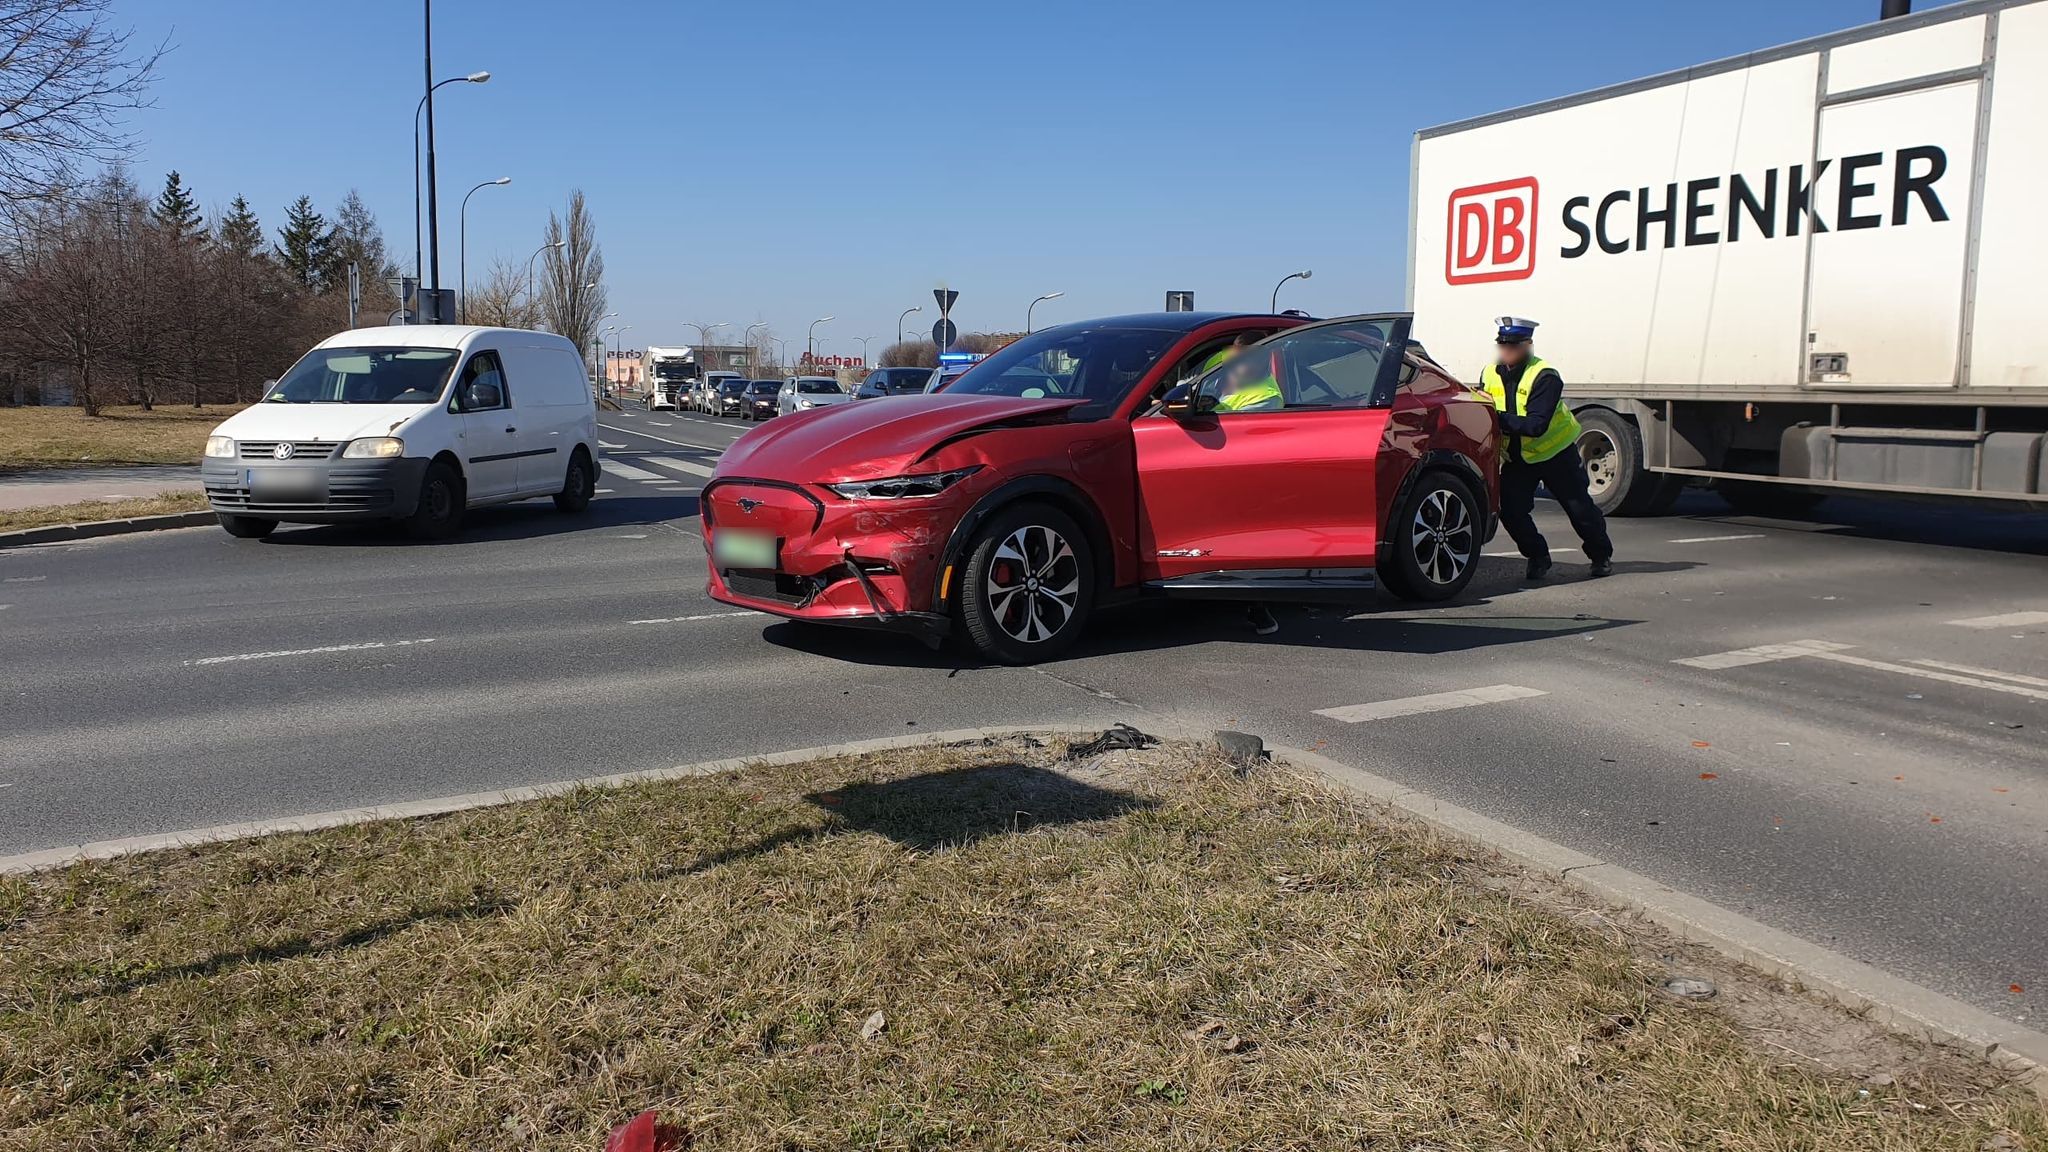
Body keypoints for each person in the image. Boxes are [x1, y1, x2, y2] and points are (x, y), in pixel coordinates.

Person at [1479, 317, 1613, 580]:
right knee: (1510, 510)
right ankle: (1538, 556)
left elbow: (1536, 425)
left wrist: (1494, 415)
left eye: (1513, 346)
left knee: (1580, 510)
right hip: (1519, 457)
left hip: (1556, 453)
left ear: (1528, 345)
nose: (1506, 351)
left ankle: (1601, 556)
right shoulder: (1489, 373)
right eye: (1503, 345)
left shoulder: (1545, 376)